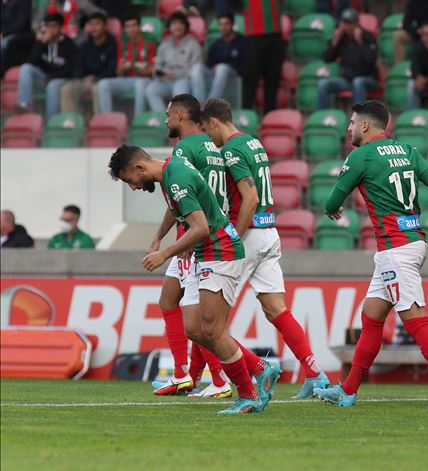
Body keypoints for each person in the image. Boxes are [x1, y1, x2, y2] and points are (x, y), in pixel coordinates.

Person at [313, 100, 428, 408]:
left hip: (395, 249)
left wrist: (332, 209)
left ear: (364, 125)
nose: (348, 128)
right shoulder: (408, 152)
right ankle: (348, 390)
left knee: (416, 321)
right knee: (372, 317)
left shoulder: (359, 156)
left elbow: (331, 201)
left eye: (351, 123)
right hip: (411, 242)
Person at [108, 143, 276, 414]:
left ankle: (248, 393)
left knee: (212, 330)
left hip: (220, 251)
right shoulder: (168, 172)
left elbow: (200, 227)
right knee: (195, 329)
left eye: (129, 180)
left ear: (139, 167)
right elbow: (176, 209)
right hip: (206, 253)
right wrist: (158, 236)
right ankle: (260, 368)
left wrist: (164, 254)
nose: (133, 187)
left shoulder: (177, 176)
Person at [201, 98, 330, 399]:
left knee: (210, 322)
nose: (208, 135)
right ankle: (315, 374)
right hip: (270, 232)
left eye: (207, 128)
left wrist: (234, 234)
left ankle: (250, 373)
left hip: (248, 236)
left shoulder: (231, 149)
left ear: (215, 122)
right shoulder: (254, 142)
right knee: (277, 310)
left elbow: (250, 197)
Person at [148, 94, 235, 399]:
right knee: (168, 300)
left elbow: (183, 194)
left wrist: (179, 236)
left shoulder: (184, 148)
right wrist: (160, 235)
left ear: (182, 115)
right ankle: (183, 373)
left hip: (195, 238)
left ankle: (221, 378)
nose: (166, 120)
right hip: (204, 231)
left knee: (198, 322)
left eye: (169, 114)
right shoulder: (213, 146)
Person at [317, 8, 379, 110]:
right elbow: (327, 58)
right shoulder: (342, 39)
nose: (348, 26)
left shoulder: (367, 37)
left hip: (368, 78)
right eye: (346, 22)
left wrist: (360, 42)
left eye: (351, 22)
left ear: (357, 23)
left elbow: (370, 60)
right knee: (322, 84)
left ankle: (358, 119)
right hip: (347, 80)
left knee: (358, 82)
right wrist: (334, 42)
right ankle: (322, 118)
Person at [16, 13, 76, 119]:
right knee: (25, 68)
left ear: (61, 28)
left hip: (62, 79)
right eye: (48, 26)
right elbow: (31, 62)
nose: (51, 29)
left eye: (54, 26)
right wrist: (41, 43)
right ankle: (25, 105)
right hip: (45, 77)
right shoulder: (43, 42)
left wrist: (51, 77)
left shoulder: (69, 44)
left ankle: (50, 121)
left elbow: (71, 69)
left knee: (52, 85)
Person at [94, 14, 155, 117]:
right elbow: (118, 72)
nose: (131, 29)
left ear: (139, 27)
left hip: (145, 80)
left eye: (134, 25)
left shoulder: (149, 43)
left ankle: (137, 120)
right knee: (103, 84)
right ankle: (107, 120)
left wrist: (133, 67)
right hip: (128, 80)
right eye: (128, 26)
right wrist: (122, 68)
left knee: (139, 84)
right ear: (124, 29)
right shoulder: (122, 43)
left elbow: (151, 71)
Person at [144, 12, 201, 113]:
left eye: (181, 24)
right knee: (150, 90)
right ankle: (163, 119)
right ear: (169, 27)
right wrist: (159, 72)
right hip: (165, 80)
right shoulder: (164, 44)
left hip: (183, 80)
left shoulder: (193, 44)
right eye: (174, 24)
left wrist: (175, 74)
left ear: (186, 26)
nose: (177, 27)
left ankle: (179, 125)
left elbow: (195, 70)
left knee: (178, 92)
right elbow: (157, 65)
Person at [60, 12, 116, 115]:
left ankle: (99, 123)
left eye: (97, 24)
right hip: (85, 80)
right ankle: (70, 123)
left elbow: (112, 70)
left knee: (97, 89)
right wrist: (80, 79)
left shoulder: (113, 45)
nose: (94, 28)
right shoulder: (85, 46)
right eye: (91, 24)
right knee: (66, 89)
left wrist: (95, 78)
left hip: (103, 80)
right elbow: (78, 67)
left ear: (105, 26)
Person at [240, 0, 284, 112]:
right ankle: (246, 117)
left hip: (275, 34)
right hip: (254, 36)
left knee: (272, 80)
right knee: (250, 81)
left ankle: (270, 116)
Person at [190, 13, 244, 103]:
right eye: (221, 24)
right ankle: (199, 103)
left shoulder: (242, 42)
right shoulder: (216, 44)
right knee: (196, 68)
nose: (223, 27)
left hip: (234, 74)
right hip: (216, 74)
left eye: (226, 24)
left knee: (222, 68)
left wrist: (221, 66)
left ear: (232, 24)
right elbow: (209, 63)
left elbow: (243, 63)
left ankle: (210, 103)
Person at [1, 0, 35, 77]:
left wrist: (3, 33)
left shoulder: (24, 2)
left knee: (3, 43)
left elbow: (21, 24)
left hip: (20, 35)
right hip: (5, 34)